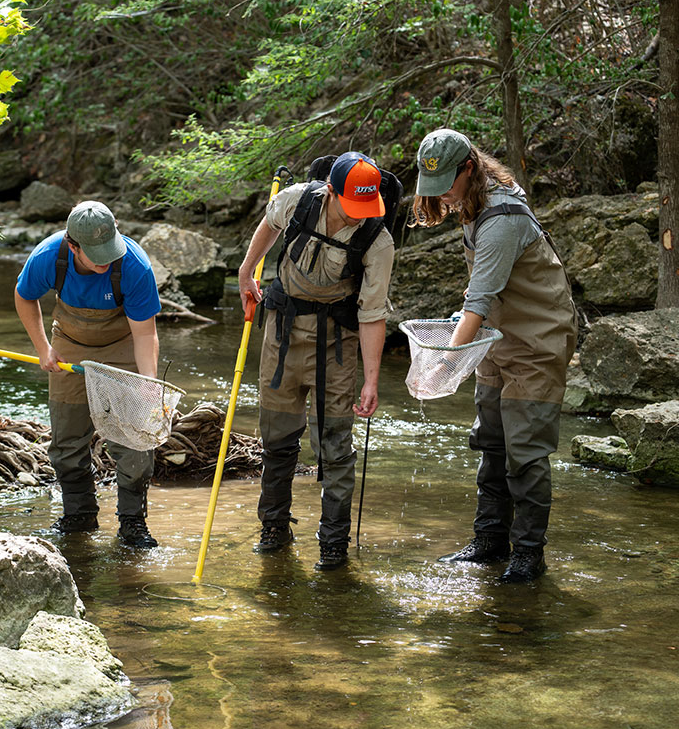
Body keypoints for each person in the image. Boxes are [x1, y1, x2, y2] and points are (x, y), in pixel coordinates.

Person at [411, 128, 577, 583]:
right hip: (496, 340)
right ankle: (489, 542)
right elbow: (481, 295)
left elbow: (478, 301)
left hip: (538, 343)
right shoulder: (472, 205)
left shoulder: (503, 218)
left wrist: (446, 363)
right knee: (491, 443)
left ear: (470, 168)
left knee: (525, 453)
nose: (441, 196)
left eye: (447, 183)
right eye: (434, 186)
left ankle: (527, 555)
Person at [239, 152, 397, 571]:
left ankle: (334, 544)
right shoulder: (296, 201)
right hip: (283, 335)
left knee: (336, 448)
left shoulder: (378, 240)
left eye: (368, 207)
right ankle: (273, 527)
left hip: (338, 345)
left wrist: (371, 380)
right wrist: (246, 270)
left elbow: (372, 313)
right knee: (276, 441)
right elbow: (269, 225)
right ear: (330, 191)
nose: (358, 216)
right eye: (352, 207)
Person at [15, 200, 162, 549]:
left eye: (108, 251)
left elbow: (145, 334)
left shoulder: (134, 265)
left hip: (123, 346)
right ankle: (79, 515)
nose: (105, 260)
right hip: (69, 343)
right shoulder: (47, 257)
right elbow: (24, 298)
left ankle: (132, 523)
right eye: (95, 254)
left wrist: (148, 383)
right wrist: (42, 348)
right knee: (66, 442)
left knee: (135, 444)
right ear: (72, 245)